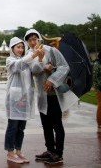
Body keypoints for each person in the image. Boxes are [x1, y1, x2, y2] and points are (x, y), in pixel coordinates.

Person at [24, 29, 78, 165]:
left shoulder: (51, 50)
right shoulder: (29, 55)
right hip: (42, 95)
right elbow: (33, 71)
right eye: (29, 40)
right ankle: (50, 150)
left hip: (53, 94)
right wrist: (42, 64)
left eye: (34, 39)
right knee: (46, 125)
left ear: (39, 39)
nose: (32, 42)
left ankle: (58, 153)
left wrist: (52, 78)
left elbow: (64, 67)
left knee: (57, 124)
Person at [4, 37, 44, 164]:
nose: (20, 50)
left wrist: (41, 59)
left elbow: (36, 70)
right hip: (14, 98)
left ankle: (18, 151)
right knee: (13, 126)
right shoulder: (10, 60)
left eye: (22, 47)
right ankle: (10, 152)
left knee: (21, 128)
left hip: (25, 98)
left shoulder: (27, 60)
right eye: (18, 47)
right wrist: (33, 55)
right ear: (12, 49)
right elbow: (18, 66)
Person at [93, 52, 101, 132]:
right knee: (100, 106)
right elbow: (95, 78)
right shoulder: (97, 64)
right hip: (99, 89)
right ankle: (99, 123)